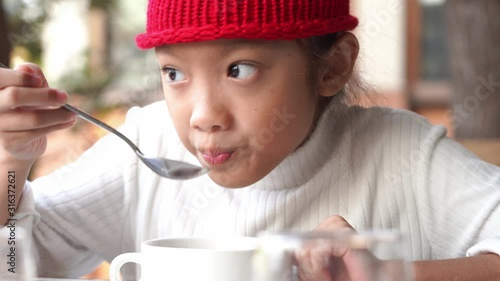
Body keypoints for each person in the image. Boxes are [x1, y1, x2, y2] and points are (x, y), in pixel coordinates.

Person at [1, 0, 499, 280]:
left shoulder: (400, 154)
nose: (203, 117)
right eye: (174, 72)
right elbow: (15, 259)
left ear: (332, 66)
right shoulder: (147, 146)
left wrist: (393, 276)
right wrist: (10, 164)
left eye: (239, 69)